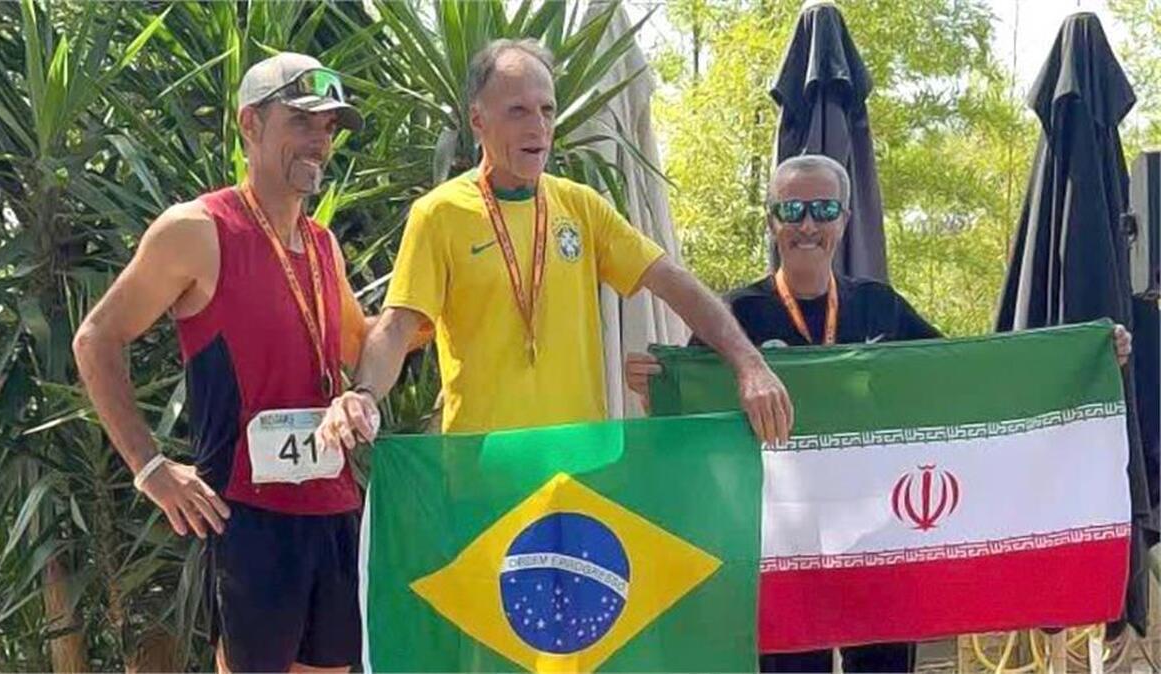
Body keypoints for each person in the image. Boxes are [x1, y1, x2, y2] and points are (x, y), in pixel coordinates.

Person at [625, 153, 1133, 673]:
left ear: (844, 220)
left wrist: (1085, 357)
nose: (807, 225)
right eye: (792, 210)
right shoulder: (735, 315)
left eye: (824, 209)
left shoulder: (880, 306)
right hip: (782, 546)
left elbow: (964, 375)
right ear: (772, 221)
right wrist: (656, 389)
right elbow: (694, 420)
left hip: (881, 541)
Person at [314, 38, 793, 448]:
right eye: (518, 111)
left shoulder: (581, 206)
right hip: (485, 474)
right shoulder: (439, 213)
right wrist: (364, 394)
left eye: (547, 110)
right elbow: (398, 325)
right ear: (478, 120)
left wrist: (749, 364)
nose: (538, 127)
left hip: (579, 467)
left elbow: (672, 281)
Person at [73, 53, 371, 673]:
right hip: (247, 515)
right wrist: (149, 467)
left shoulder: (323, 245)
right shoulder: (197, 230)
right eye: (302, 121)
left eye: (328, 127)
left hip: (332, 508)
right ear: (250, 124)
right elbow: (96, 337)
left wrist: (438, 304)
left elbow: (361, 348)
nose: (319, 141)